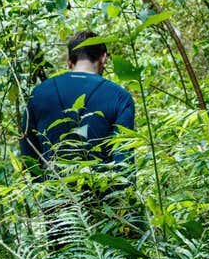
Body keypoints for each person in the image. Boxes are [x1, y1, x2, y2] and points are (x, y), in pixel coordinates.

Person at [21, 31, 135, 181]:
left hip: (52, 196)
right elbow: (124, 162)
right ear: (103, 58)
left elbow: (29, 157)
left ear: (69, 61)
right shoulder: (120, 97)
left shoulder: (39, 93)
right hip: (104, 199)